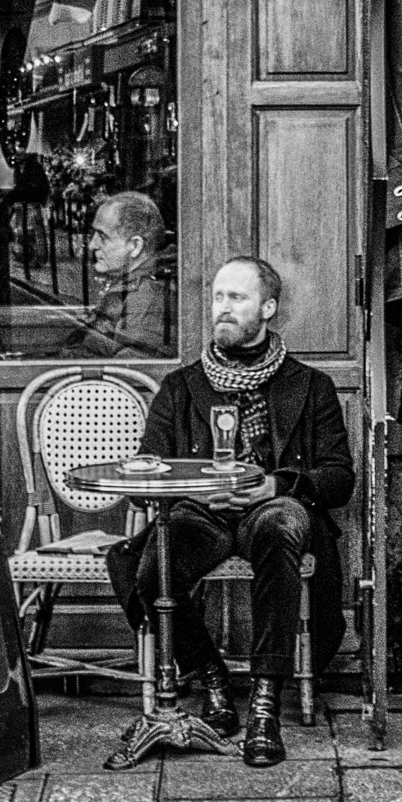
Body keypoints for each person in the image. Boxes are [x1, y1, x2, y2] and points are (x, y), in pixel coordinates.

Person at [106, 256, 354, 767]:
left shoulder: (311, 387)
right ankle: (213, 679)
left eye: (236, 298)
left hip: (272, 509)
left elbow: (339, 479)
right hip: (205, 513)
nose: (223, 308)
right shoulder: (181, 388)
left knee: (283, 525)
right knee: (154, 569)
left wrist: (273, 485)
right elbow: (147, 470)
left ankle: (265, 705)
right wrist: (193, 490)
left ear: (267, 308)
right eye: (218, 297)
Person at [67, 191, 174, 358]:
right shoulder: (132, 286)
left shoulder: (145, 298)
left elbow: (132, 373)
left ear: (135, 245)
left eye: (103, 236)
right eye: (93, 234)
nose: (92, 245)